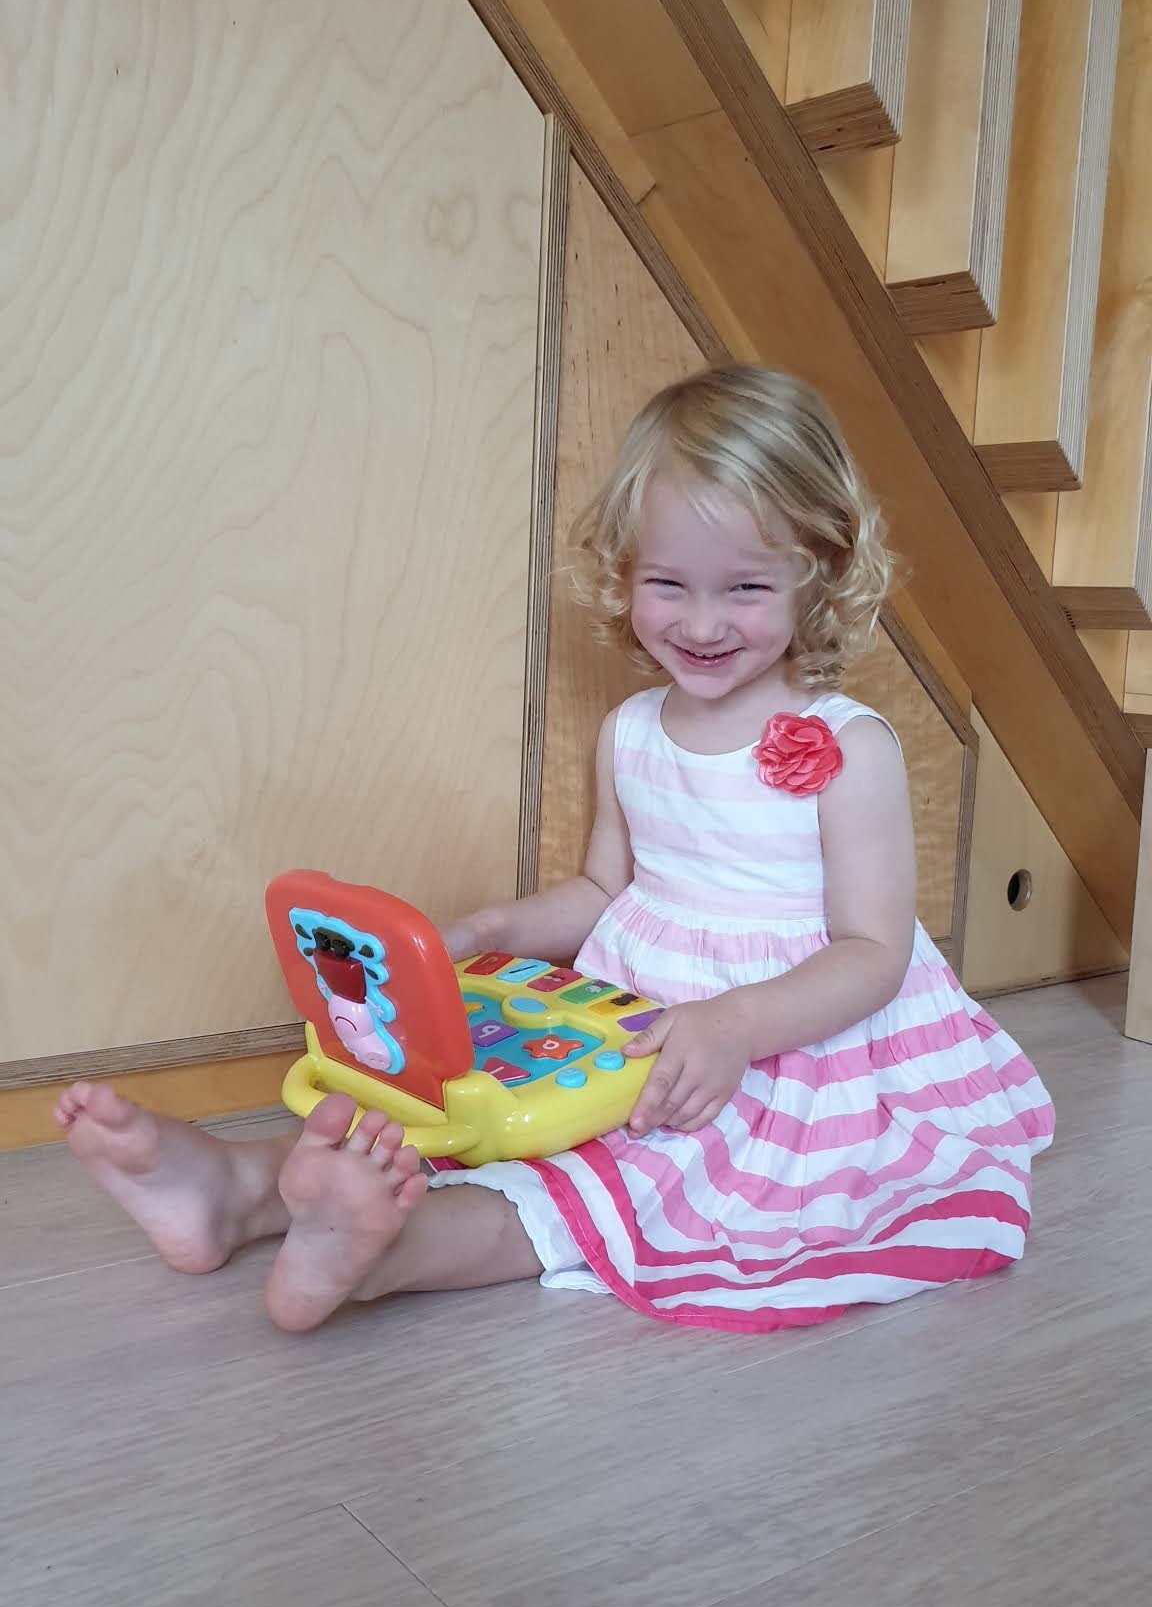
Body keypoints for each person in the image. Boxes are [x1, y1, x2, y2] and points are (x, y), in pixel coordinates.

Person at [56, 366, 1054, 1333]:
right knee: (472, 1113)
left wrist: (737, 1022)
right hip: (628, 1012)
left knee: (630, 1174)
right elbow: (602, 889)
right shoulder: (631, 731)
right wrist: (493, 928)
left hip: (781, 1047)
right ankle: (229, 1189)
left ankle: (389, 1253)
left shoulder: (851, 746)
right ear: (627, 571)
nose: (702, 623)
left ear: (819, 572)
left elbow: (874, 951)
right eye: (669, 583)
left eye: (745, 587)